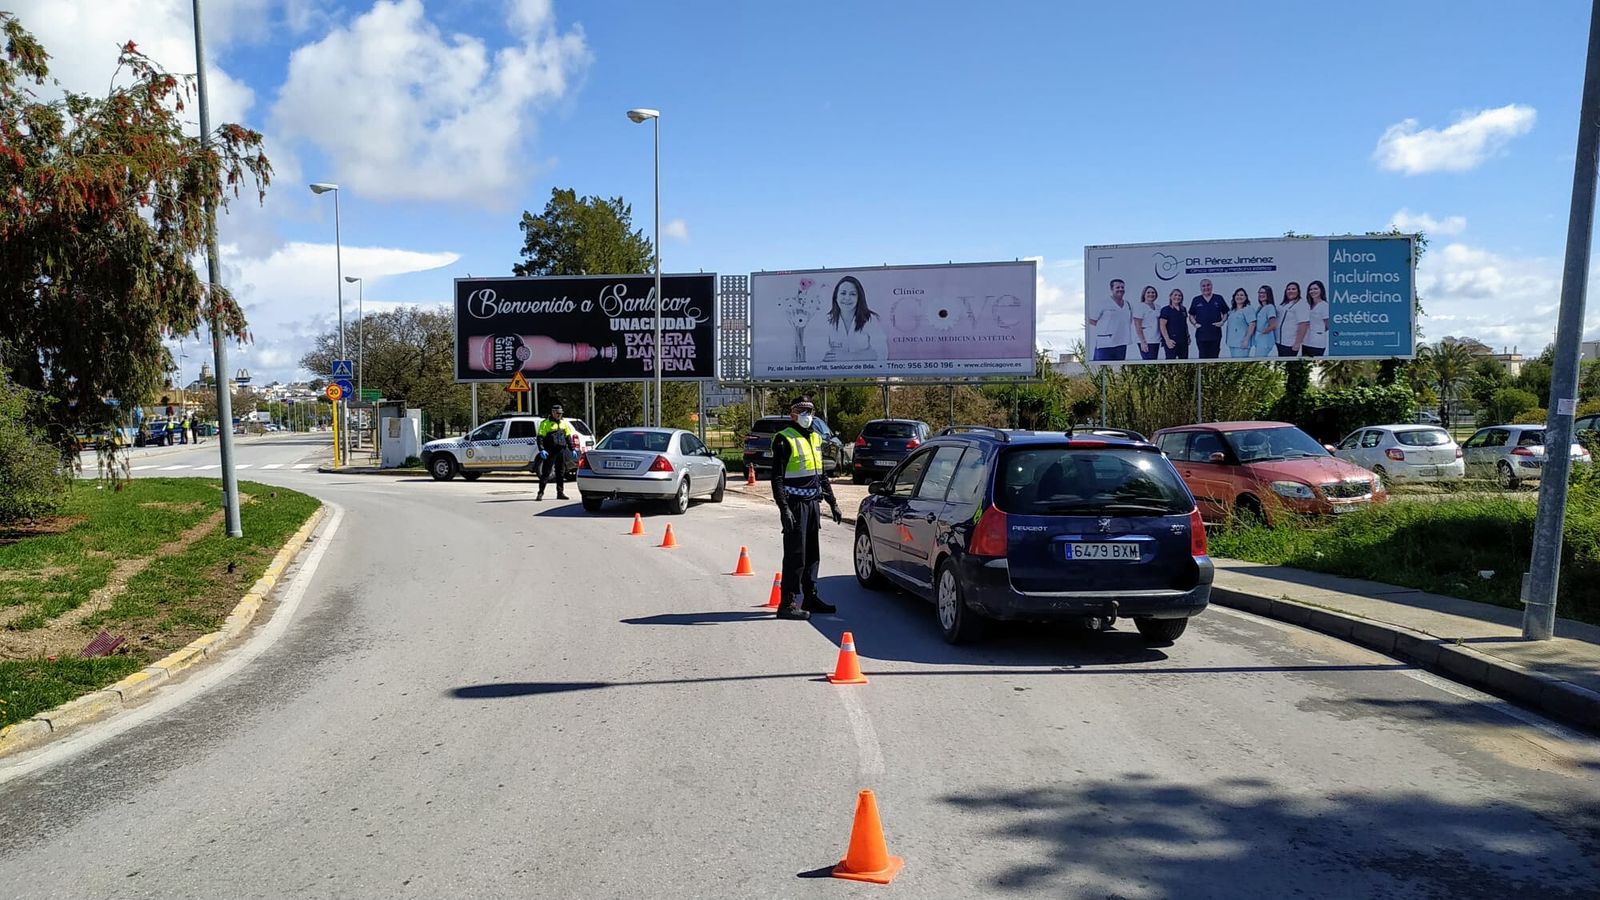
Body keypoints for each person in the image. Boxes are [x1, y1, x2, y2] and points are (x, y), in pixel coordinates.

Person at [769, 396, 841, 620]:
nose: (806, 415)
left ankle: (810, 596)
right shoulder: (784, 439)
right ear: (792, 414)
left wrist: (833, 502)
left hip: (812, 503)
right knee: (795, 554)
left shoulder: (815, 438)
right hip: (795, 504)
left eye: (810, 411)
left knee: (812, 554)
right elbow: (776, 478)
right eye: (801, 411)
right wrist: (784, 508)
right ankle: (787, 602)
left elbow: (821, 475)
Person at [820, 276, 888, 362]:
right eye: (843, 293)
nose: (847, 298)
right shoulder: (825, 321)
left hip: (866, 370)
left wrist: (849, 357)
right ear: (836, 297)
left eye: (852, 294)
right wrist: (866, 355)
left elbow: (882, 353)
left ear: (859, 298)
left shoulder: (870, 319)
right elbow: (820, 356)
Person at [535, 404, 578, 500]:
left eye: (561, 413)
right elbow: (540, 437)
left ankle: (560, 493)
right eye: (558, 413)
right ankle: (540, 493)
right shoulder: (545, 423)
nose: (559, 415)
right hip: (550, 451)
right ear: (553, 412)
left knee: (560, 473)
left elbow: (568, 437)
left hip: (561, 450)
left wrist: (572, 449)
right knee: (546, 472)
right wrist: (542, 449)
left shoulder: (564, 423)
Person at [1089, 279, 1132, 361]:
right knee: (1101, 367)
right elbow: (1091, 319)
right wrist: (1104, 327)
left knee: (1118, 368)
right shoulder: (1103, 303)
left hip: (1122, 344)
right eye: (1117, 287)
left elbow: (1129, 321)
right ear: (1112, 289)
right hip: (1105, 345)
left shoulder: (1127, 304)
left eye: (1122, 287)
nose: (1120, 289)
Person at [1188, 278, 1229, 359]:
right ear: (1200, 288)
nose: (1206, 288)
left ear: (1211, 286)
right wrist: (1195, 324)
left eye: (1208, 285)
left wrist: (1222, 321)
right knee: (1202, 357)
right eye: (1203, 286)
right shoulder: (1196, 300)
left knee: (1214, 358)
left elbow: (1226, 313)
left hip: (1215, 334)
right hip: (1201, 335)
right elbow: (1191, 315)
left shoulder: (1218, 298)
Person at [1276, 281, 1307, 356]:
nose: (1291, 291)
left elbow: (1303, 325)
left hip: (1290, 343)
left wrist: (1297, 343)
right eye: (1288, 289)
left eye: (1293, 289)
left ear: (1298, 291)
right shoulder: (1284, 304)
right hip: (1279, 342)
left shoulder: (1301, 304)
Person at [1158, 288, 1190, 360]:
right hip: (1171, 341)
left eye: (1179, 295)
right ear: (1170, 296)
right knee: (1171, 362)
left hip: (1183, 341)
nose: (1177, 297)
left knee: (1184, 361)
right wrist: (1167, 340)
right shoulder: (1166, 309)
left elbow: (1185, 324)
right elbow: (1162, 325)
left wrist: (1188, 336)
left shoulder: (1183, 309)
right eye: (1175, 295)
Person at [1301, 280, 1330, 357]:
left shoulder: (1324, 305)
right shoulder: (1308, 305)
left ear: (1321, 290)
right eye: (1310, 289)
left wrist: (1318, 330)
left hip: (1317, 344)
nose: (1312, 291)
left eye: (1315, 289)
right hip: (1305, 342)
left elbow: (1328, 325)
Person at [1133, 285, 1161, 360]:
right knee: (1148, 361)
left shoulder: (1158, 307)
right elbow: (1137, 325)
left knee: (1154, 361)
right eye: (1148, 292)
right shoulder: (1140, 307)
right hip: (1146, 340)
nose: (1151, 294)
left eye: (1153, 292)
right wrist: (1143, 342)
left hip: (1156, 340)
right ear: (1144, 294)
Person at [1224, 288, 1253, 358]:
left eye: (1242, 295)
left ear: (1246, 297)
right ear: (1234, 297)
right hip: (1232, 343)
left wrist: (1246, 339)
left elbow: (1252, 324)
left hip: (1241, 344)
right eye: (1237, 295)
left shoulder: (1248, 309)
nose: (1239, 297)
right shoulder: (1232, 310)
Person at [1251, 285, 1279, 357]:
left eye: (1264, 293)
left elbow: (1273, 325)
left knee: (1259, 359)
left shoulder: (1270, 307)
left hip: (1265, 340)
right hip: (1259, 340)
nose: (1261, 295)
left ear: (1269, 294)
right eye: (1260, 293)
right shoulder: (1260, 308)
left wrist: (1261, 333)